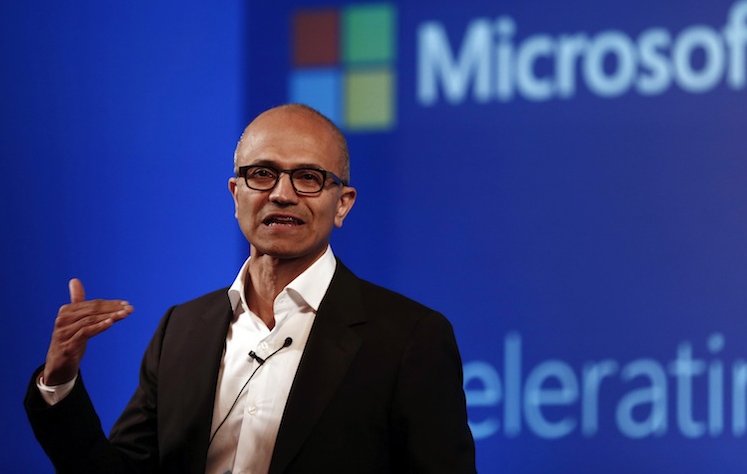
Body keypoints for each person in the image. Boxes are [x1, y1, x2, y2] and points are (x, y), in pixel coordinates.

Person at [25, 103, 477, 473]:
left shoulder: (408, 337)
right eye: (262, 173)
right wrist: (60, 381)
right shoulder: (182, 330)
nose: (282, 193)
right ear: (235, 194)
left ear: (342, 205)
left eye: (308, 177)